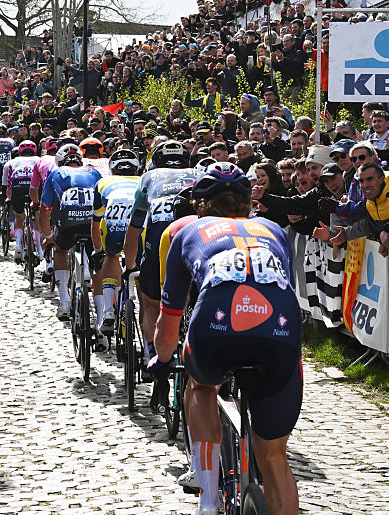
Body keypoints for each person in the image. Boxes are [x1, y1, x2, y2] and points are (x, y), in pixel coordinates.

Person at [148, 162, 300, 515]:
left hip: (216, 328)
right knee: (275, 455)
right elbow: (284, 288)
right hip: (279, 329)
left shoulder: (188, 231)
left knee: (200, 387)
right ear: (249, 204)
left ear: (201, 205)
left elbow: (168, 321)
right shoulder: (274, 230)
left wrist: (164, 359)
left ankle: (208, 498)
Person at [123, 140, 196, 412]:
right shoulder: (199, 173)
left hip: (157, 242)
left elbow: (134, 228)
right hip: (194, 238)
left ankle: (153, 355)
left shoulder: (148, 178)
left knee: (152, 303)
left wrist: (131, 266)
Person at [38, 144, 102, 321]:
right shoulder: (93, 171)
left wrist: (49, 238)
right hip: (91, 224)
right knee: (98, 260)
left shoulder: (55, 173)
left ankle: (64, 301)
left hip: (68, 224)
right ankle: (102, 312)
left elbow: (45, 211)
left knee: (60, 250)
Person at [90, 149, 141, 340]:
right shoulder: (144, 180)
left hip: (113, 227)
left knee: (111, 256)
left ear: (113, 170)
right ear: (136, 169)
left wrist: (98, 251)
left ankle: (109, 310)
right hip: (138, 230)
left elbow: (95, 222)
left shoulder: (103, 182)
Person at [2, 140, 40, 263]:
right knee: (38, 215)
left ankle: (18, 245)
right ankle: (37, 244)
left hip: (17, 187)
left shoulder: (10, 162)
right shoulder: (39, 160)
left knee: (19, 216)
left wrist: (10, 198)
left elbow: (6, 185)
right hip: (34, 188)